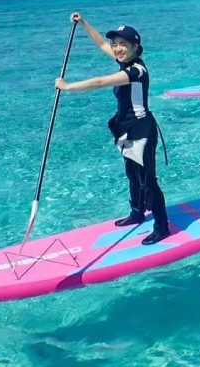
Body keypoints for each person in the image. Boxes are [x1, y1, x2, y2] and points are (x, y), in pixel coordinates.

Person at [55, 13, 171, 245]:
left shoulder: (136, 71)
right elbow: (100, 43)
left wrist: (68, 87)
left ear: (135, 47)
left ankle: (162, 226)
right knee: (131, 173)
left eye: (123, 45)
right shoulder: (123, 61)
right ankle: (137, 211)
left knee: (148, 180)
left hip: (142, 131)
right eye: (115, 45)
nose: (117, 49)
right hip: (124, 129)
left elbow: (100, 82)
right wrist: (83, 22)